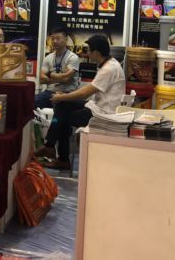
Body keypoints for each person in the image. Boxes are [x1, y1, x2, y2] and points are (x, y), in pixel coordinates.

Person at [34, 34, 125, 170]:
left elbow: (84, 92)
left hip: (102, 113)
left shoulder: (108, 69)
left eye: (89, 50)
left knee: (62, 117)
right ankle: (51, 148)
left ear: (96, 53)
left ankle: (57, 153)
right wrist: (63, 97)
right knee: (62, 107)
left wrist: (61, 96)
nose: (87, 53)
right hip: (96, 105)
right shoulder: (108, 64)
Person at [35, 27, 80, 109]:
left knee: (62, 109)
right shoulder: (48, 57)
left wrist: (49, 74)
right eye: (52, 39)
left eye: (58, 38)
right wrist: (59, 77)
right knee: (32, 101)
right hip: (50, 92)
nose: (55, 41)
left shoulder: (73, 57)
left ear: (66, 39)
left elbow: (66, 79)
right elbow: (41, 79)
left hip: (67, 93)